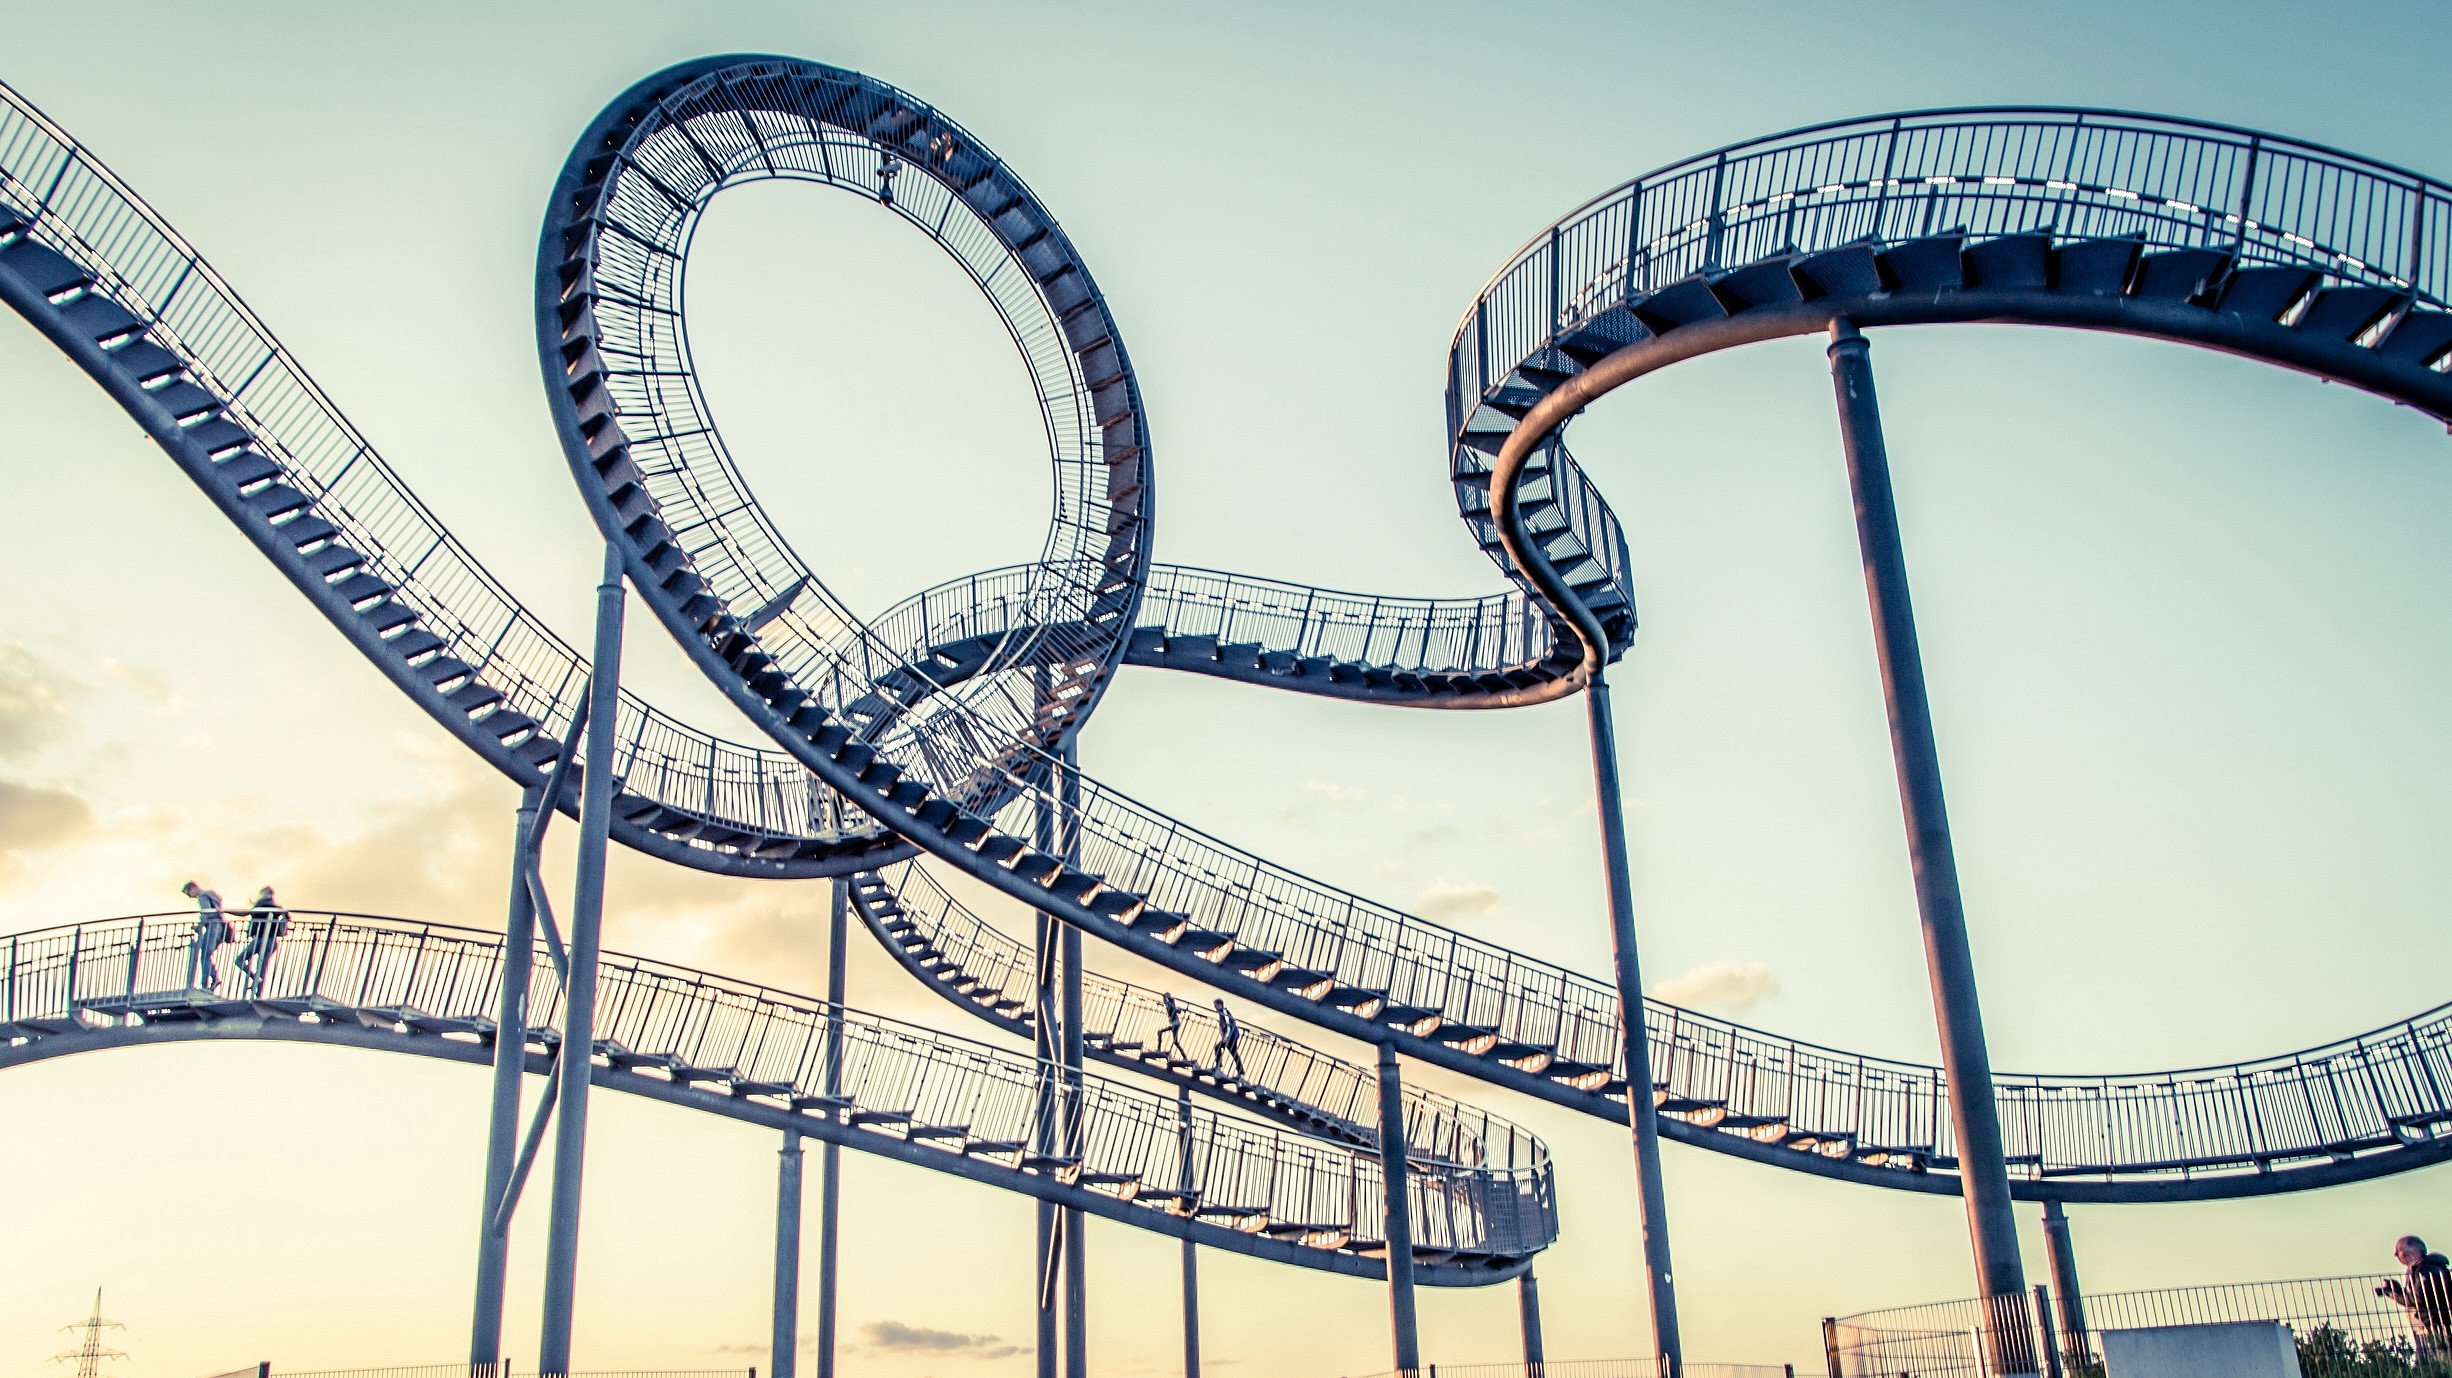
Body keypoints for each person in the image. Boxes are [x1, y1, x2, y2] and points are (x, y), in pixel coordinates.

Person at [2379, 1235, 2452, 1363]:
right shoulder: (2430, 1267)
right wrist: (2398, 1291)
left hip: (2432, 1326)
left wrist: (2393, 1294)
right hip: (2432, 1324)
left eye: (2399, 1250)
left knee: (2436, 1363)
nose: (2396, 1254)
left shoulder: (2424, 1270)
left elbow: (2420, 1300)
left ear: (2411, 1254)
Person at [234, 885, 290, 996]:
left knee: (240, 960)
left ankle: (256, 980)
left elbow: (245, 913)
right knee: (263, 968)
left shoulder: (263, 904)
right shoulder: (277, 907)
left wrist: (225, 911)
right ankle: (258, 991)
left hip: (262, 939)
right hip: (271, 940)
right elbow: (287, 916)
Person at [180, 881, 231, 990]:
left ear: (192, 888)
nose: (190, 897)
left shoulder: (202, 896)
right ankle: (213, 977)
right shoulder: (212, 894)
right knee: (207, 955)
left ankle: (206, 984)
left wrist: (200, 925)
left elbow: (208, 913)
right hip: (220, 927)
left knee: (204, 956)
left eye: (188, 893)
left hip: (212, 927)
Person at [1209, 997, 1245, 1079]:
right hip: (1230, 1036)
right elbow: (1222, 1026)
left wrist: (1226, 1037)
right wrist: (1223, 1034)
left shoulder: (1224, 1012)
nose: (1215, 1008)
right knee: (1233, 1053)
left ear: (1220, 1005)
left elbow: (1229, 1026)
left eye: (1216, 1006)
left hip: (1232, 1036)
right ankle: (1240, 1072)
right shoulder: (1221, 1013)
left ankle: (1218, 1067)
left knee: (1219, 1048)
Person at [1156, 992, 1188, 1061]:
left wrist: (1168, 997)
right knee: (1160, 1032)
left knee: (1175, 1042)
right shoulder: (1168, 1004)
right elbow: (1166, 1002)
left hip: (1175, 1024)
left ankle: (1185, 1057)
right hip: (1173, 1024)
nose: (1165, 999)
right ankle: (1158, 1050)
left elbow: (1173, 1004)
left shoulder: (1172, 1003)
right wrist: (1163, 998)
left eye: (1166, 998)